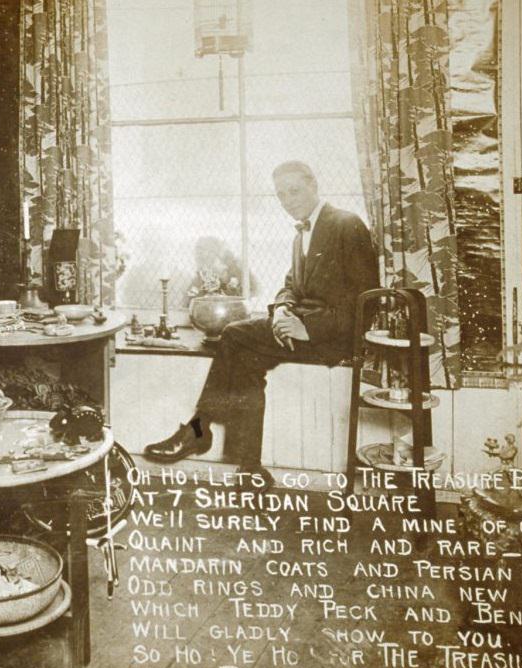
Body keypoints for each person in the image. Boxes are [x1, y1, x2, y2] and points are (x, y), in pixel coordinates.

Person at [144, 161, 379, 487]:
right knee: (244, 361)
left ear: (314, 185)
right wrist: (282, 311)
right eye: (281, 195)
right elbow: (289, 287)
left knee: (234, 334)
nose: (288, 201)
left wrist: (309, 328)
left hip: (331, 338)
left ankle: (198, 429)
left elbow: (368, 302)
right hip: (297, 328)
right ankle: (250, 469)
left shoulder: (346, 224)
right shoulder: (301, 235)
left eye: (294, 191)